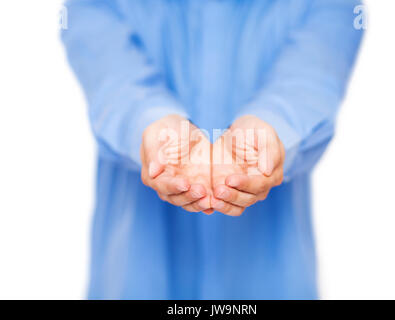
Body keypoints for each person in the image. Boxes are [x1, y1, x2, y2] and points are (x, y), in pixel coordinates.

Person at [62, 0, 363, 299]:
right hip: (134, 277)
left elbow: (310, 79)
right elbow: (115, 81)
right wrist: (150, 123)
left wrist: (273, 126)